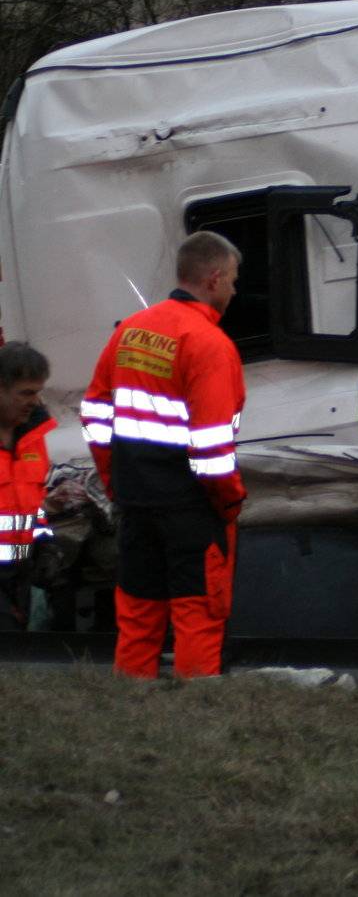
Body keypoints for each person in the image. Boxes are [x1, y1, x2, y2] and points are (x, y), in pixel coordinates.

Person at [81, 231, 248, 678]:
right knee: (199, 614)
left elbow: (95, 415)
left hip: (136, 500)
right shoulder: (210, 344)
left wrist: (116, 481)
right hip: (191, 505)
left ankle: (132, 709)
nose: (234, 289)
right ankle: (199, 718)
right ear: (213, 278)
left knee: (138, 612)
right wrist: (229, 501)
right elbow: (212, 446)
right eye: (232, 279)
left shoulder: (130, 332)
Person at [0, 343, 55, 630]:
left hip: (22, 572)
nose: (35, 401)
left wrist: (44, 545)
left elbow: (34, 502)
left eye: (38, 391)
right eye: (26, 393)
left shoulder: (34, 437)